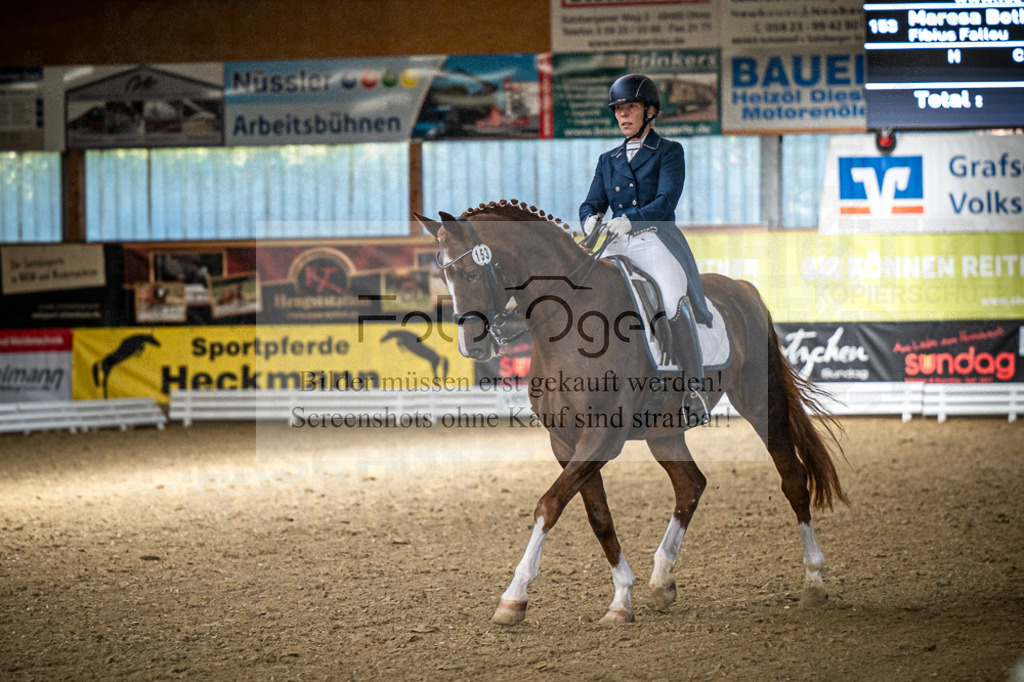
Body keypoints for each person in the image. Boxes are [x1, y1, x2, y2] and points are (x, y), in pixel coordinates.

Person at [579, 73, 712, 425]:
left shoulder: (669, 151)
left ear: (650, 111)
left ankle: (693, 388)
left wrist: (632, 220)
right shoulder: (608, 159)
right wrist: (590, 219)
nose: (623, 116)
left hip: (653, 237)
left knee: (671, 299)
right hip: (614, 242)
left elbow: (667, 200)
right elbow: (592, 201)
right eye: (619, 110)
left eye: (630, 108)